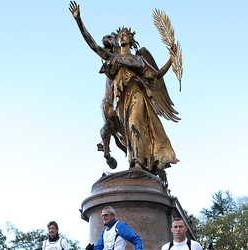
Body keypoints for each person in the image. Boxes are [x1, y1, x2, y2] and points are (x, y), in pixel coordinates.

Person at [69, 2, 179, 176]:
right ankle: (134, 161)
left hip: (136, 93)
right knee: (128, 129)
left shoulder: (138, 59)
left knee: (135, 123)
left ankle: (137, 163)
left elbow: (156, 75)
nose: (122, 37)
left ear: (131, 39)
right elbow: (93, 46)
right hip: (121, 100)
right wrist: (78, 20)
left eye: (125, 35)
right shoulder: (113, 58)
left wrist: (171, 60)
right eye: (120, 36)